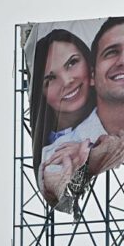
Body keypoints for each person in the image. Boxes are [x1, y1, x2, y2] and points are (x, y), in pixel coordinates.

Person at [40, 16, 124, 207]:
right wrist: (82, 164)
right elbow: (53, 183)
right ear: (93, 74)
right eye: (111, 52)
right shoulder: (62, 147)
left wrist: (99, 152)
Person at [30, 29, 95, 183]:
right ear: (42, 93)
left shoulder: (119, 123)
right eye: (51, 78)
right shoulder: (47, 153)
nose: (66, 81)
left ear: (91, 68)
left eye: (72, 63)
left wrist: (92, 151)